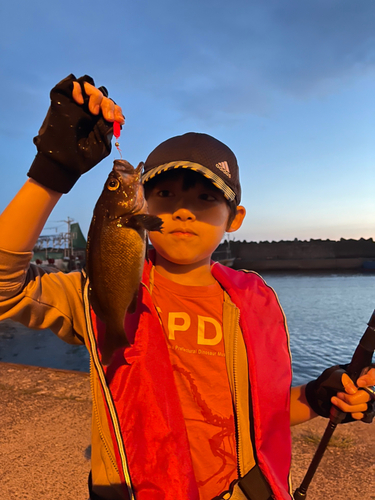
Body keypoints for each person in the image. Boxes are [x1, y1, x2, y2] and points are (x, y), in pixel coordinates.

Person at [0, 74, 374, 500]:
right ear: (142, 201)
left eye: (205, 198)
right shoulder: (98, 292)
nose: (181, 210)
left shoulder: (253, 304)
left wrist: (318, 397)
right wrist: (51, 172)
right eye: (163, 192)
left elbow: (259, 417)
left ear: (235, 218)